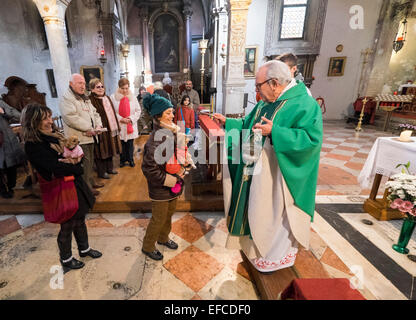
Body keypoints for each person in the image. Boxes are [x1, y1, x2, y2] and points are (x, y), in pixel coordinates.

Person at [213, 60, 323, 273]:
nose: (256, 91)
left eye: (258, 85)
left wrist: (276, 133)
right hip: (258, 174)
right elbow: (250, 123)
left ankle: (274, 258)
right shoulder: (268, 102)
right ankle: (256, 252)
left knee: (274, 217)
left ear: (273, 83)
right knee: (256, 209)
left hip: (280, 179)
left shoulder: (305, 104)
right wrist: (229, 122)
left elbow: (311, 141)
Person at [22, 104, 102, 272]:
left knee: (80, 218)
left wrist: (75, 161)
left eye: (50, 117)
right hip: (59, 187)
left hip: (72, 182)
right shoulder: (34, 144)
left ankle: (84, 249)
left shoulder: (54, 136)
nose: (50, 121)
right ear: (33, 121)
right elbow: (54, 168)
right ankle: (66, 258)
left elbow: (68, 155)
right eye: (45, 118)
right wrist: (77, 168)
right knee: (68, 224)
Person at [141, 94, 187, 261]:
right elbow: (148, 168)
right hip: (161, 187)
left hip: (173, 184)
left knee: (168, 214)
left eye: (172, 112)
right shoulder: (155, 139)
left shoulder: (170, 132)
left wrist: (183, 161)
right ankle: (147, 246)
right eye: (168, 113)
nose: (172, 116)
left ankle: (163, 237)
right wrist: (171, 180)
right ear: (158, 116)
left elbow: (174, 157)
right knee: (158, 217)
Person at [59, 73, 103, 196]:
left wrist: (98, 125)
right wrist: (89, 127)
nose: (83, 86)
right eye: (79, 83)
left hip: (90, 136)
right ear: (71, 84)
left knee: (90, 162)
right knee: (84, 164)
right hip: (78, 138)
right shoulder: (67, 99)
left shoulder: (84, 97)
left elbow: (95, 113)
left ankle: (89, 181)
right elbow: (71, 117)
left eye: (84, 83)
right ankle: (86, 189)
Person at [88, 79, 122, 179]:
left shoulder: (106, 98)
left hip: (110, 127)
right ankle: (101, 172)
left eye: (102, 86)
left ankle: (109, 168)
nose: (101, 89)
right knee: (100, 151)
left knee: (110, 148)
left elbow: (113, 113)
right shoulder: (90, 100)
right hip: (99, 129)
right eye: (98, 87)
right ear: (92, 89)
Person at [110, 78, 141, 168]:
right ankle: (122, 160)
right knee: (121, 143)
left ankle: (131, 159)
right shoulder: (113, 97)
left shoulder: (133, 97)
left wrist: (130, 119)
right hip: (120, 124)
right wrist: (121, 119)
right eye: (123, 88)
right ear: (119, 87)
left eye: (126, 88)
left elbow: (138, 110)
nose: (125, 90)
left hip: (130, 124)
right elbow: (112, 111)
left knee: (130, 143)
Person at [0, 99, 26, 198]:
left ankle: (12, 187)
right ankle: (2, 190)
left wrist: (3, 112)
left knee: (11, 164)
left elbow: (14, 114)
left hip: (7, 139)